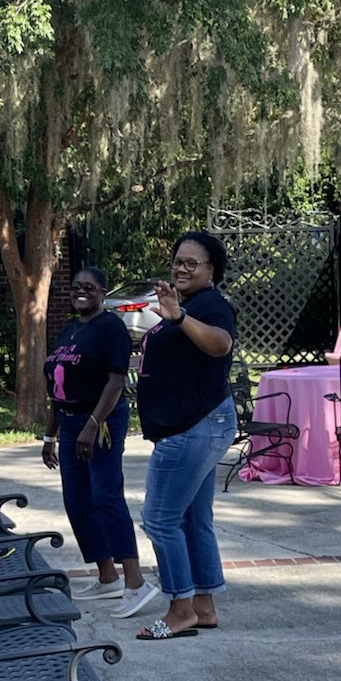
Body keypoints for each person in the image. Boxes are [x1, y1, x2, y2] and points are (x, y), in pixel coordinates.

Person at [133, 231, 237, 640]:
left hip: (194, 426)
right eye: (177, 260)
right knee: (194, 519)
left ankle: (179, 609)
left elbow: (220, 344)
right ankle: (204, 606)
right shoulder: (188, 305)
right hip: (198, 423)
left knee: (159, 520)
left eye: (192, 263)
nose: (181, 267)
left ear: (212, 270)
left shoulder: (211, 305)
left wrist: (179, 318)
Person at [42, 267, 158, 618]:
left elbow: (116, 381)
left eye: (89, 288)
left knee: (105, 496)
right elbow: (57, 388)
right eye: (76, 287)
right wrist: (50, 433)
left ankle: (135, 581)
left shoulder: (111, 328)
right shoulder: (70, 330)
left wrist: (92, 425)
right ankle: (106, 576)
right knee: (77, 500)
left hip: (100, 423)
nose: (81, 292)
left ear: (103, 293)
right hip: (70, 421)